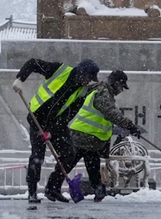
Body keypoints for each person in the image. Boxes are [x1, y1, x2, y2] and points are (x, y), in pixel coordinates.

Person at [44, 70, 143, 203]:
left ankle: (96, 190)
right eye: (121, 86)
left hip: (90, 139)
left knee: (89, 165)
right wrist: (131, 126)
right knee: (70, 162)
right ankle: (54, 188)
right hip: (82, 135)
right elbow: (112, 114)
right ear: (114, 83)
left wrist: (130, 127)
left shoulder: (101, 91)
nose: (121, 90)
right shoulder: (102, 93)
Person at [12, 58, 100, 204]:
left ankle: (52, 188)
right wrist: (20, 79)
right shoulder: (60, 70)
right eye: (87, 77)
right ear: (81, 72)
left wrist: (52, 130)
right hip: (37, 119)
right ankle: (32, 192)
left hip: (56, 123)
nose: (88, 82)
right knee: (37, 156)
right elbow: (33, 63)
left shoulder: (82, 91)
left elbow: (70, 113)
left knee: (69, 153)